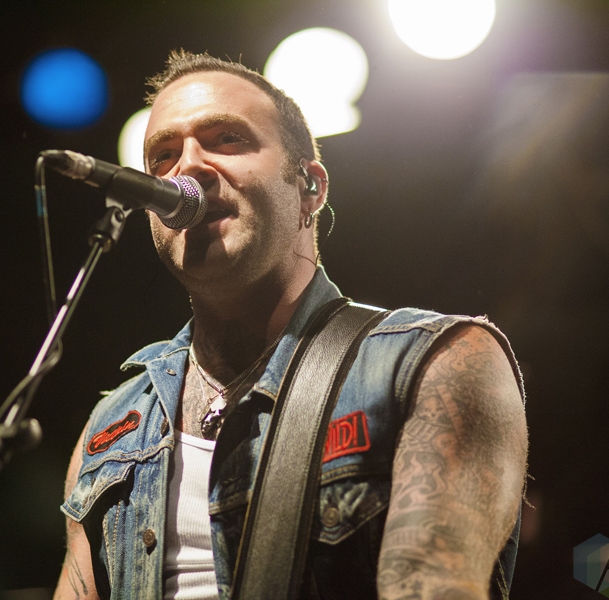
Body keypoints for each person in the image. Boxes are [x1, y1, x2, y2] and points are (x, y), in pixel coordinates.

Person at [53, 50, 528, 600]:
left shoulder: (431, 364)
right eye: (163, 155)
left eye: (227, 139)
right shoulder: (114, 424)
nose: (187, 168)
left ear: (310, 188)